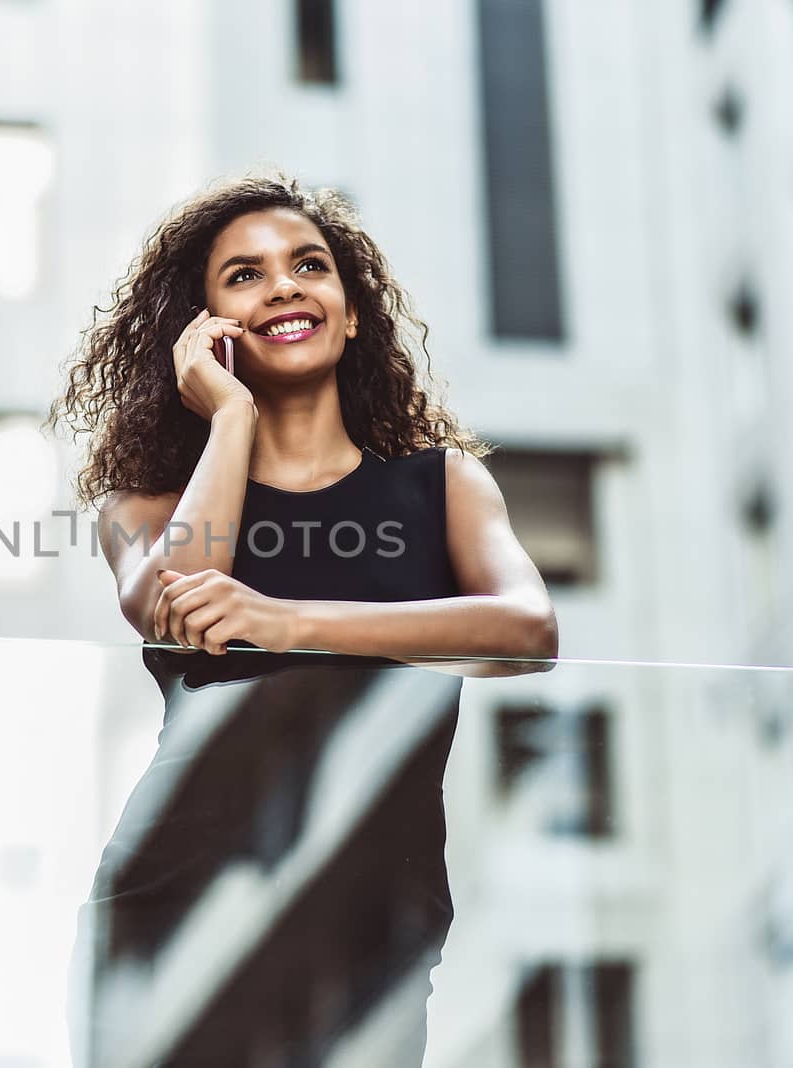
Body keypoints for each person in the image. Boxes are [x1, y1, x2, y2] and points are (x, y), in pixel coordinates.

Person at [45, 172, 558, 1064]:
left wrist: (284, 622)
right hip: (172, 907)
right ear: (202, 333)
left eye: (308, 265)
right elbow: (178, 616)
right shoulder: (146, 505)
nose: (283, 285)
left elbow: (526, 633)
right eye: (243, 275)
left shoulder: (444, 489)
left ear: (352, 312)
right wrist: (231, 417)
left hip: (370, 916)